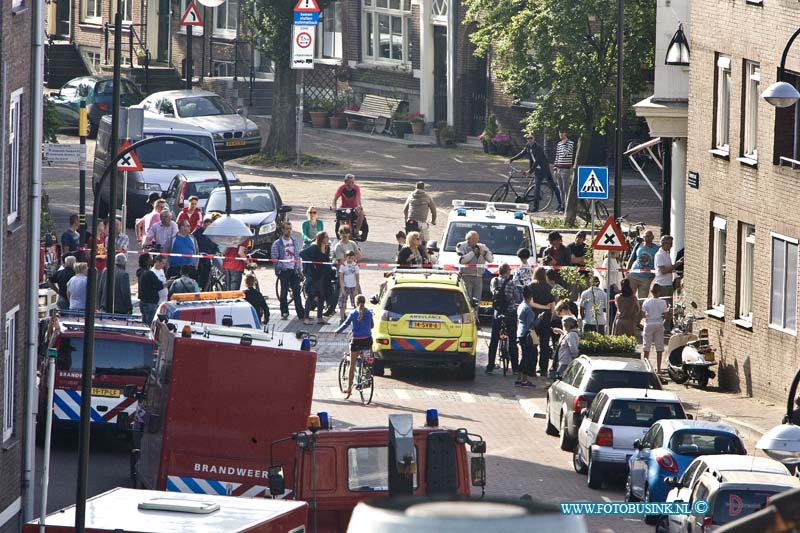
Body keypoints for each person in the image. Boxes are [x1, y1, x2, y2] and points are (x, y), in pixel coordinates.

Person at [508, 133, 563, 212]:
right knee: (536, 188)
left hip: (544, 170)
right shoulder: (527, 146)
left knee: (553, 186)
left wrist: (529, 171)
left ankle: (560, 204)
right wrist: (512, 159)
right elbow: (522, 154)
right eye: (528, 138)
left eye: (531, 138)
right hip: (537, 170)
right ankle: (535, 208)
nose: (529, 140)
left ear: (534, 139)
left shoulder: (538, 148)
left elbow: (537, 161)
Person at [334, 294, 374, 399]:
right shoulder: (369, 313)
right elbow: (372, 325)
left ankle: (349, 388)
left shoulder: (353, 313)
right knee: (366, 359)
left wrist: (337, 331)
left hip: (356, 341)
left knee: (352, 365)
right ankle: (366, 377)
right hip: (367, 341)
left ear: (356, 303)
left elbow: (346, 324)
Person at [486, 263, 521, 375]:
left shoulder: (494, 281)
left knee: (494, 340)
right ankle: (515, 368)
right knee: (512, 340)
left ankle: (490, 366)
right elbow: (517, 297)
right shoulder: (511, 283)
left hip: (498, 312)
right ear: (507, 272)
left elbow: (492, 292)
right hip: (510, 312)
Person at [271, 222, 305, 320]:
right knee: (284, 292)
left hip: (294, 270)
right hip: (284, 271)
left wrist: (299, 269)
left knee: (296, 292)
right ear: (282, 230)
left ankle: (300, 313)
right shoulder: (277, 243)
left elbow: (297, 256)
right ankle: (284, 311)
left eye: (290, 228)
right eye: (286, 228)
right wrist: (281, 267)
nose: (288, 230)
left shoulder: (294, 242)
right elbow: (274, 258)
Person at [529, 266, 555, 376]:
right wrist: (548, 312)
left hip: (533, 319)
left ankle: (532, 368)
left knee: (533, 343)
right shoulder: (550, 288)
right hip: (546, 319)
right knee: (544, 345)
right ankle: (543, 369)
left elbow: (530, 302)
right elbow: (553, 307)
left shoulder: (531, 286)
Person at [456, 231, 493, 304]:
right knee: (467, 300)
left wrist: (484, 253)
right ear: (468, 239)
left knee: (477, 301)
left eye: (477, 239)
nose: (476, 241)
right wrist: (473, 253)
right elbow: (462, 260)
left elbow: (491, 259)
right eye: (473, 239)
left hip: (479, 277)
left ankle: (475, 314)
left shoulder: (482, 246)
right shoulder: (461, 246)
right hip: (466, 277)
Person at [304, 232, 332, 325]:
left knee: (322, 296)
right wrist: (312, 264)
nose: (328, 239)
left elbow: (327, 260)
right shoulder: (314, 248)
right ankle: (306, 317)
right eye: (326, 237)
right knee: (311, 296)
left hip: (323, 275)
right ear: (321, 238)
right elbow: (303, 254)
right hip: (314, 276)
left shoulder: (327, 248)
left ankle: (320, 317)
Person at [642, 284, 669, 372]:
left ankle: (645, 367)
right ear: (659, 292)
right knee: (659, 346)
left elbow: (643, 314)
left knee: (646, 346)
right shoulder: (663, 302)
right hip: (659, 324)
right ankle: (659, 368)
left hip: (649, 323)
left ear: (651, 292)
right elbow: (665, 315)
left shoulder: (646, 301)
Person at [515, 286, 538, 388]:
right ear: (531, 296)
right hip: (528, 334)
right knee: (527, 357)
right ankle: (524, 380)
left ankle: (519, 379)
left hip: (520, 332)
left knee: (523, 356)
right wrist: (539, 319)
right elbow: (531, 325)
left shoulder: (521, 306)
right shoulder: (528, 309)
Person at [138, 255, 171, 325]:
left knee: (146, 323)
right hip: (150, 302)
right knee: (150, 324)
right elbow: (159, 285)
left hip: (146, 301)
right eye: (150, 259)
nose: (151, 261)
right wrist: (168, 283)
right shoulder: (150, 273)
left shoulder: (142, 272)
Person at [626, 230, 659, 299]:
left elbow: (658, 263)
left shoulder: (656, 249)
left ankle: (640, 310)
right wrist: (627, 272)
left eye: (649, 236)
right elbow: (631, 259)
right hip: (633, 275)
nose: (647, 238)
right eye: (645, 236)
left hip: (646, 278)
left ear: (652, 237)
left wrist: (652, 277)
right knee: (629, 297)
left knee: (642, 300)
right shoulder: (638, 245)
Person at [193, 213, 221, 290]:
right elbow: (194, 241)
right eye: (206, 226)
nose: (208, 228)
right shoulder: (198, 233)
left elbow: (216, 244)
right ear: (203, 225)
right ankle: (201, 286)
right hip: (201, 256)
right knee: (203, 269)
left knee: (221, 267)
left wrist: (217, 252)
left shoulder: (213, 233)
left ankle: (222, 281)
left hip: (211, 254)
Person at [553, 129, 575, 206]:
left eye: (562, 133)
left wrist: (565, 143)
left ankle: (567, 205)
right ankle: (562, 205)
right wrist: (555, 168)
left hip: (566, 168)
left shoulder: (571, 143)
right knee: (560, 188)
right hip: (559, 168)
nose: (560, 135)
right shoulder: (559, 144)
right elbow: (557, 156)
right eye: (559, 133)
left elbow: (565, 153)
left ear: (565, 133)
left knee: (566, 188)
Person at [338, 251, 361, 322]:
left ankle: (357, 317)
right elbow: (341, 278)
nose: (350, 258)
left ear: (354, 257)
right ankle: (342, 317)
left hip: (353, 286)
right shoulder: (343, 266)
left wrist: (356, 289)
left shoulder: (356, 265)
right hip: (345, 286)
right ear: (345, 257)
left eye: (352, 257)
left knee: (356, 302)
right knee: (342, 302)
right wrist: (342, 289)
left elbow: (357, 278)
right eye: (348, 257)